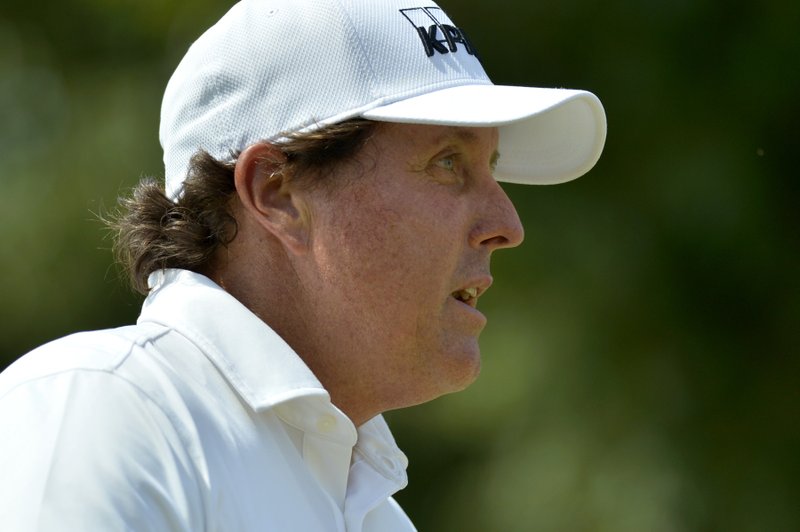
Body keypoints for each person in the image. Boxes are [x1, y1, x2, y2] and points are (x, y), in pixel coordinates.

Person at [0, 0, 606, 530]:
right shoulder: (100, 413)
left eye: (490, 168)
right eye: (447, 163)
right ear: (276, 194)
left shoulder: (376, 515)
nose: (508, 225)